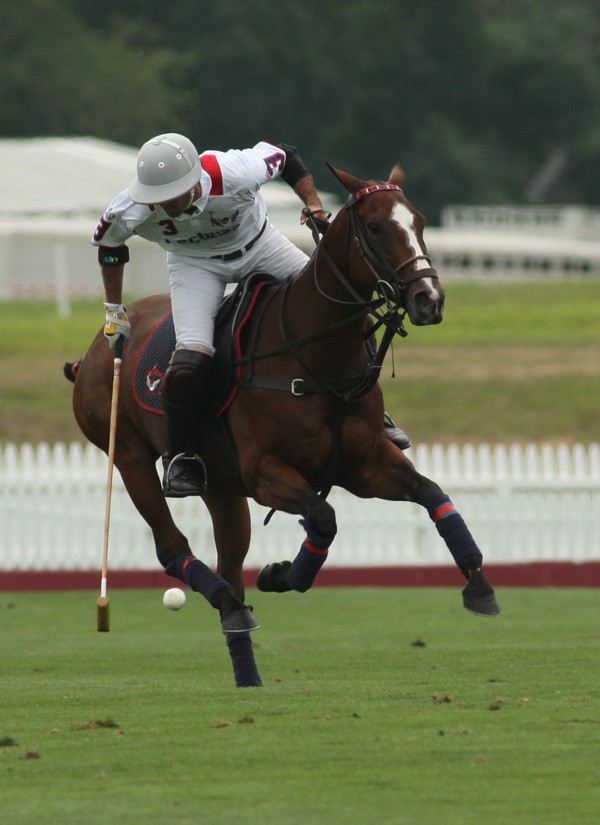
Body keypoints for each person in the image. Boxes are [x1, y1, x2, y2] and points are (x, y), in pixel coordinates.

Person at [93, 132, 410, 498]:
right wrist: (113, 310)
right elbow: (109, 245)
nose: (163, 206)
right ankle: (180, 456)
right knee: (189, 363)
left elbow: (288, 156)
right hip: (196, 266)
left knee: (349, 313)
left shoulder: (234, 172)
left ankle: (373, 416)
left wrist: (313, 203)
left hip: (261, 246)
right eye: (156, 199)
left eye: (171, 196)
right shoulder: (130, 206)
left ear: (195, 179)